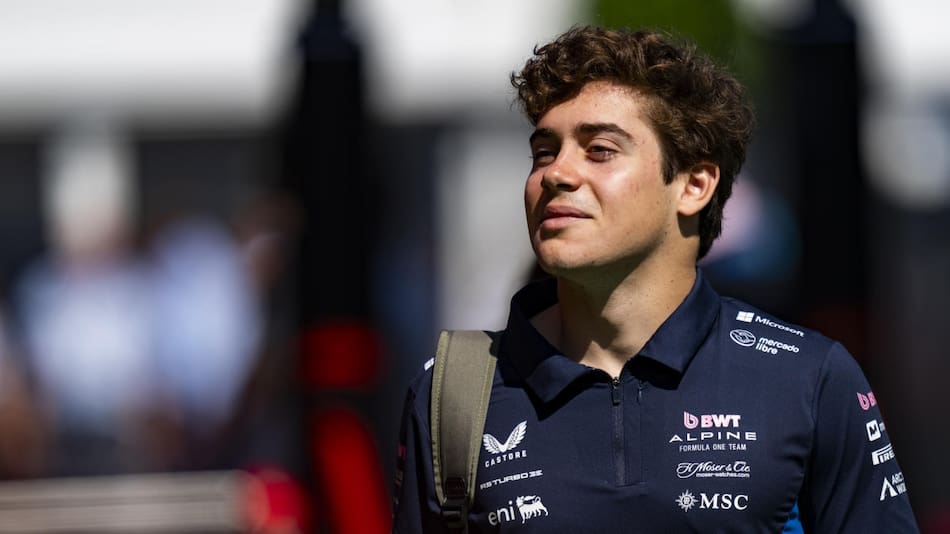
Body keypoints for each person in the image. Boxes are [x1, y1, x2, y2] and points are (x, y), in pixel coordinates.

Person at [392, 26, 919, 533]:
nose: (556, 173)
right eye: (544, 151)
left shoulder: (808, 379)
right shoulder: (452, 392)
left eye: (599, 150)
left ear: (694, 184)